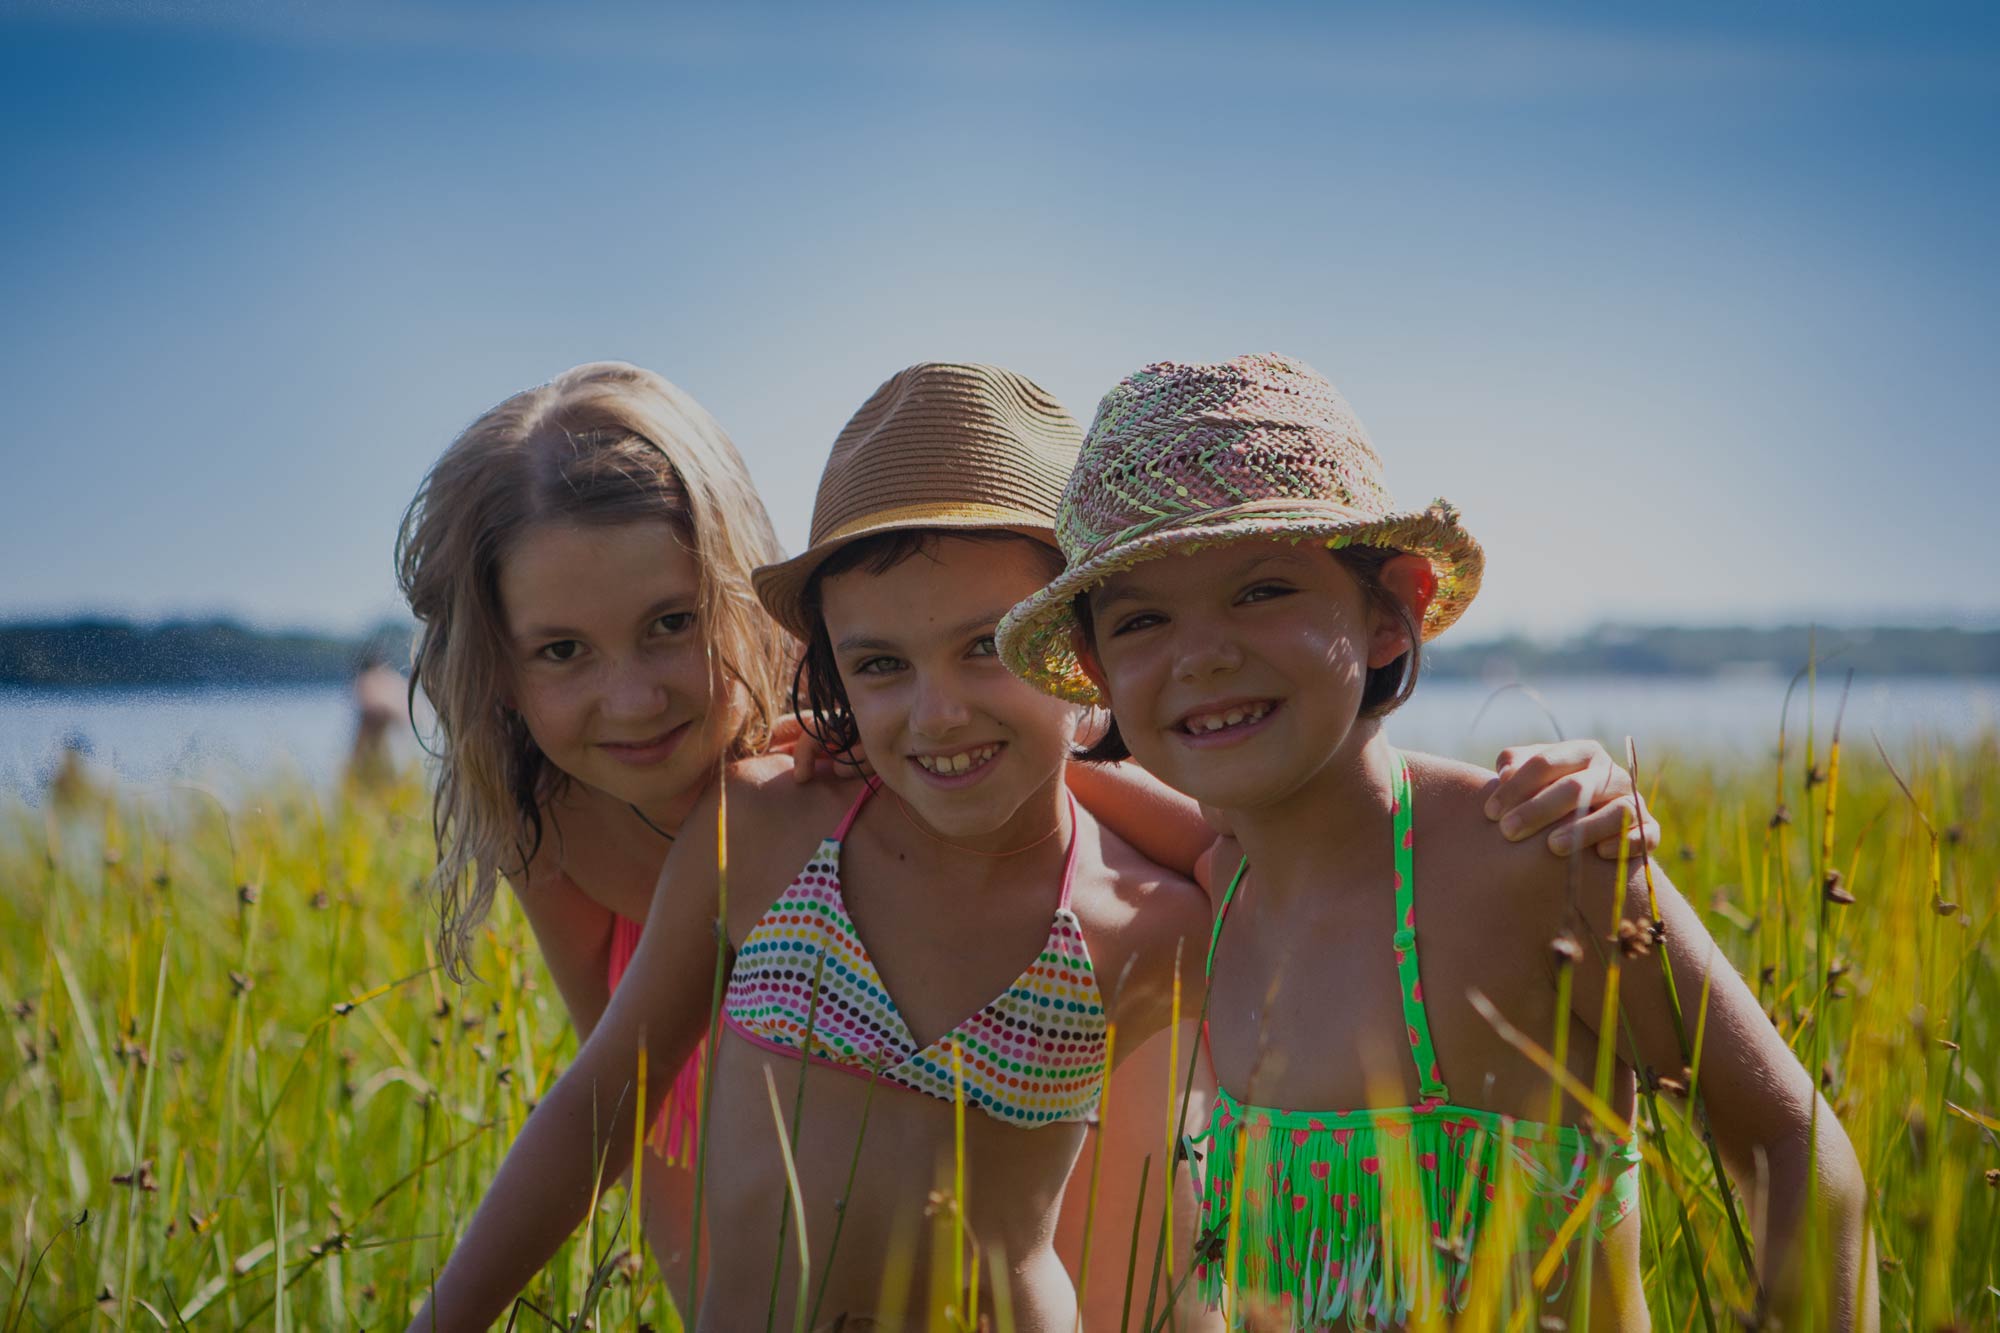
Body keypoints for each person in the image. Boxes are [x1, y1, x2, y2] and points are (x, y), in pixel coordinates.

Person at [400, 363, 1657, 1331]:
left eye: (987, 651)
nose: (935, 709)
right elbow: (607, 1110)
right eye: (882, 667)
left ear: (1081, 658)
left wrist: (1521, 796)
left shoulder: (1149, 906)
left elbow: (1294, 850)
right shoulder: (755, 825)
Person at [998, 354, 1875, 1330]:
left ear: (1390, 611)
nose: (1201, 652)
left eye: (1260, 591)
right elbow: (1052, 777)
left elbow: (1796, 1157)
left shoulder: (1533, 857)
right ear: (1094, 668)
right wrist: (858, 748)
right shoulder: (1223, 874)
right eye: (1144, 618)